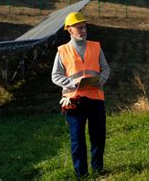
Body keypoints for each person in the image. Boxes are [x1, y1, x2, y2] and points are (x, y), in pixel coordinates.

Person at [52, 12, 110, 177]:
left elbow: (105, 68)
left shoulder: (96, 47)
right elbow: (55, 76)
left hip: (96, 99)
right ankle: (82, 174)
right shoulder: (62, 51)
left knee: (98, 137)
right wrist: (72, 83)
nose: (83, 30)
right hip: (74, 101)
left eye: (84, 27)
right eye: (79, 28)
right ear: (69, 30)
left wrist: (101, 80)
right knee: (77, 140)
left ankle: (98, 171)